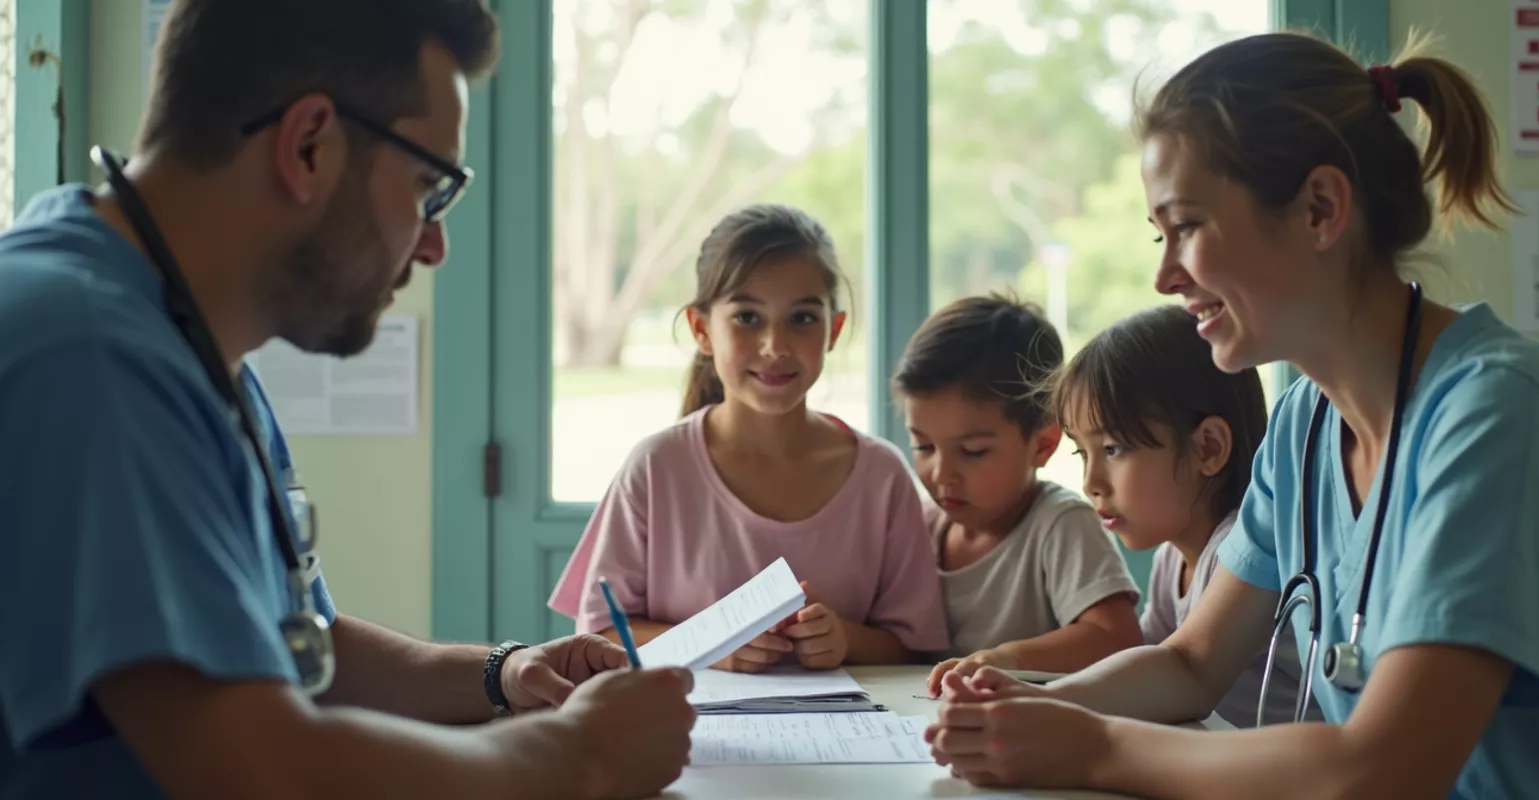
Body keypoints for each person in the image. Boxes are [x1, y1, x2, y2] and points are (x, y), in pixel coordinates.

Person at [0, 2, 698, 798]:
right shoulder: (87, 355)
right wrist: (582, 755)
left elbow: (303, 651)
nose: (432, 244)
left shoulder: (179, 341)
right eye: (428, 186)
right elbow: (262, 769)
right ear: (308, 146)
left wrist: (504, 674)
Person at [924, 30, 1539, 798]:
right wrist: (1030, 706)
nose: (1164, 275)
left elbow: (1387, 769)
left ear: (1319, 208)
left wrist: (1093, 747)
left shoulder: (1502, 416)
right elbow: (1189, 665)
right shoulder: (1306, 422)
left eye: (1186, 227)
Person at [548, 204, 950, 672]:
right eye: (747, 318)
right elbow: (600, 631)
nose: (775, 346)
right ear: (702, 330)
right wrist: (712, 644)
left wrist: (844, 639)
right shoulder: (656, 468)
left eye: (802, 319)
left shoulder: (881, 476)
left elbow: (917, 648)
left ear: (834, 330)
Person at [1050, 303, 1317, 727]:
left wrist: (1046, 703)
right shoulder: (1172, 560)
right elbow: (1149, 669)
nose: (1091, 482)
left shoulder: (1232, 552)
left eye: (1113, 449)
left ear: (1208, 448)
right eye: (1083, 453)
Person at [893, 294, 1141, 696]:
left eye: (972, 452)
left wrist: (1008, 659)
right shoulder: (922, 525)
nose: (941, 474)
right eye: (923, 446)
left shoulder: (1060, 524)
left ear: (1042, 445)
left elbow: (1117, 638)